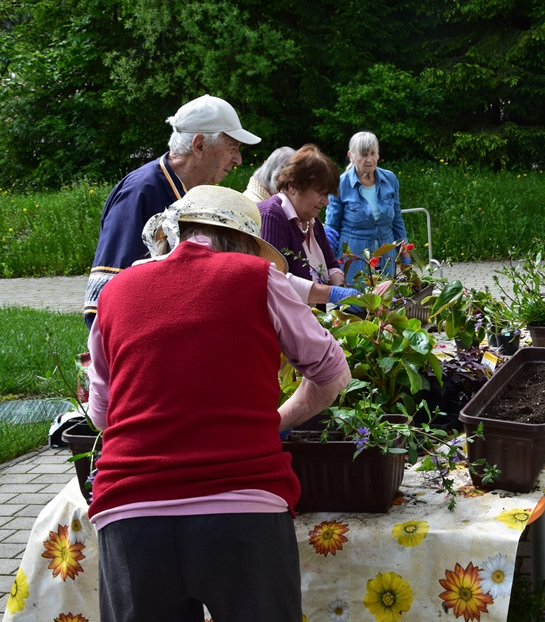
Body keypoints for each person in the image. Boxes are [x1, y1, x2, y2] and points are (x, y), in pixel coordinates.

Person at [85, 185, 352, 622]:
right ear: (246, 243)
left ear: (172, 234)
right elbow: (332, 373)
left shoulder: (113, 293)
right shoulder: (258, 277)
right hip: (243, 509)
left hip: (131, 512)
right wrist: (275, 422)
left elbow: (102, 414)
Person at [83, 94, 260, 328]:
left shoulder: (197, 196)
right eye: (232, 148)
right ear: (199, 145)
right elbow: (103, 298)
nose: (237, 159)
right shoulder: (140, 192)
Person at [257, 144, 358, 309]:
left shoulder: (312, 220)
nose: (326, 202)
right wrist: (330, 294)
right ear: (294, 186)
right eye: (321, 193)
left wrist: (344, 291)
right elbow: (274, 278)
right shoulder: (273, 215)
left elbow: (331, 264)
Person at [323, 131, 410, 287]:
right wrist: (329, 263)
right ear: (351, 155)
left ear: (378, 155)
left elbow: (397, 220)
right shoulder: (340, 184)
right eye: (363, 155)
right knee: (355, 304)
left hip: (386, 254)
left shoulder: (390, 179)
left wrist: (405, 254)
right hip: (354, 257)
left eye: (372, 153)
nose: (369, 159)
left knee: (384, 302)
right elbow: (332, 227)